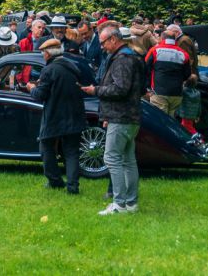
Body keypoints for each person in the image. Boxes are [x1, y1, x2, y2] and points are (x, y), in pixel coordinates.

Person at [83, 22, 145, 215]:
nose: (101, 46)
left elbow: (120, 88)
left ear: (113, 39)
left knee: (111, 158)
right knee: (127, 160)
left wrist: (96, 90)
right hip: (129, 116)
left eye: (103, 42)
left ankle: (119, 204)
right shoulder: (131, 56)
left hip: (122, 116)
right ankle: (131, 203)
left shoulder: (123, 59)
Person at [26, 38, 86, 194]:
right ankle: (73, 187)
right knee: (71, 151)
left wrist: (31, 87)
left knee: (46, 147)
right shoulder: (73, 66)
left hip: (54, 115)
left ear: (48, 53)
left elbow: (40, 95)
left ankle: (55, 181)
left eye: (43, 52)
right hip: (74, 113)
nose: (42, 55)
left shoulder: (49, 70)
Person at [144, 25, 194, 118]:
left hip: (158, 92)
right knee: (172, 122)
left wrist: (147, 88)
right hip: (176, 93)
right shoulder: (183, 54)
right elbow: (187, 74)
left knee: (160, 121)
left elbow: (145, 69)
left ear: (162, 38)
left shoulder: (155, 50)